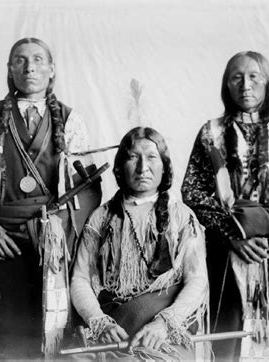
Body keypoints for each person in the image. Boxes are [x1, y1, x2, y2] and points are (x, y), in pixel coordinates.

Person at [0, 38, 99, 360]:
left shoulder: (70, 119)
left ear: (51, 69)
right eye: (19, 60)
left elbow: (88, 190)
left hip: (54, 249)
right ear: (9, 69)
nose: (29, 66)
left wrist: (55, 229)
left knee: (54, 336)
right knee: (5, 342)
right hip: (4, 245)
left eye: (36, 59)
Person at [181, 51, 269, 361]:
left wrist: (259, 224)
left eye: (254, 76)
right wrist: (233, 233)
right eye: (237, 77)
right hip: (228, 246)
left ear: (268, 83)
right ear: (226, 86)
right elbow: (192, 191)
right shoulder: (211, 133)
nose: (246, 84)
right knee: (228, 329)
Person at [70, 127, 208, 360]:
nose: (143, 168)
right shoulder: (101, 217)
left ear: (165, 166)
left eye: (152, 157)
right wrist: (100, 322)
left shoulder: (182, 218)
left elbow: (197, 280)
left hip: (164, 335)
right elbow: (80, 279)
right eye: (133, 157)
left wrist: (165, 323)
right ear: (120, 167)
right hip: (115, 330)